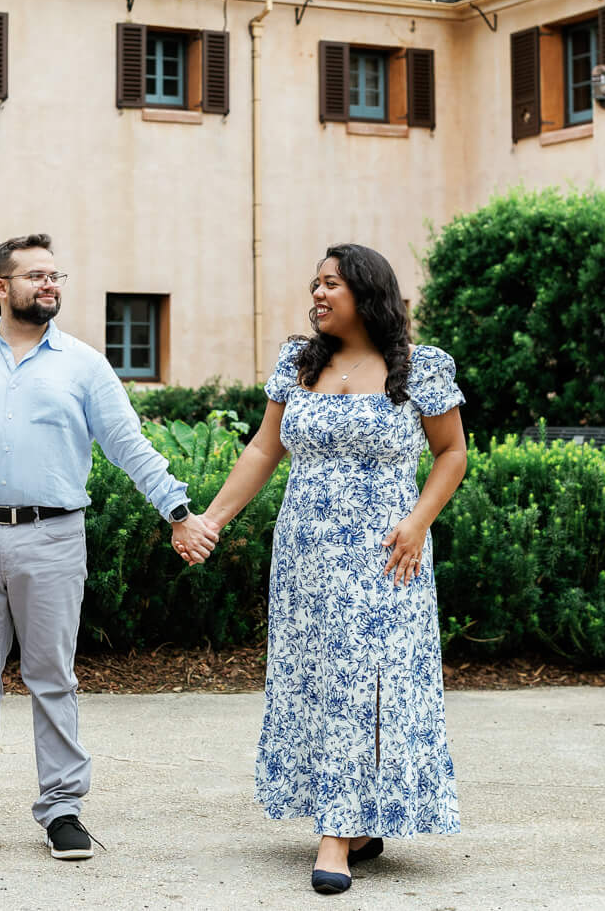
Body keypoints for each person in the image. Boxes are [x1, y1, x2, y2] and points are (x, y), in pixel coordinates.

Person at [0, 232, 220, 861]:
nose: (49, 285)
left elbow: (130, 446)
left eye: (55, 276)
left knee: (52, 677)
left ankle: (63, 810)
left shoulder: (83, 364)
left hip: (52, 538)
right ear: (1, 286)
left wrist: (179, 513)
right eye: (35, 276)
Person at [196, 243, 469, 895]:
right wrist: (213, 519)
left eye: (331, 284)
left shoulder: (421, 367)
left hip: (386, 555)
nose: (317, 294)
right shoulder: (298, 362)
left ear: (367, 292)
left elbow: (452, 452)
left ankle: (337, 832)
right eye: (314, 284)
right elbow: (265, 447)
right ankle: (355, 819)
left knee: (369, 685)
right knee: (318, 678)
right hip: (306, 557)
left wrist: (419, 519)